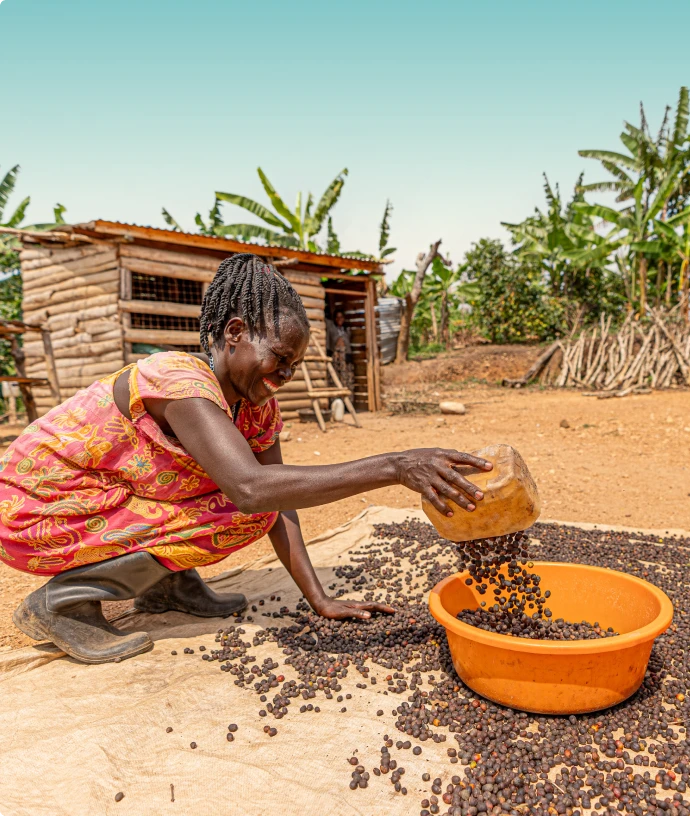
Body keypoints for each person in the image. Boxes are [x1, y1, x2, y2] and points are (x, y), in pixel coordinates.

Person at [0, 254, 490, 664]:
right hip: (35, 507)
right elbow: (253, 490)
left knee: (250, 504)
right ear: (235, 332)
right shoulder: (178, 381)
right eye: (280, 358)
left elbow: (278, 491)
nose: (287, 374)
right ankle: (62, 605)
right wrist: (395, 466)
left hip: (98, 500)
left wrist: (319, 599)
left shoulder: (255, 407)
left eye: (294, 365)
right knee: (239, 509)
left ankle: (168, 584)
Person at [327, 309, 354, 397]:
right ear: (335, 319)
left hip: (346, 357)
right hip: (336, 358)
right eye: (337, 317)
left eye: (341, 317)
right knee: (336, 379)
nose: (339, 319)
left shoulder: (346, 330)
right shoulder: (332, 329)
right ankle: (338, 400)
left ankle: (348, 402)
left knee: (347, 379)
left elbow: (348, 345)